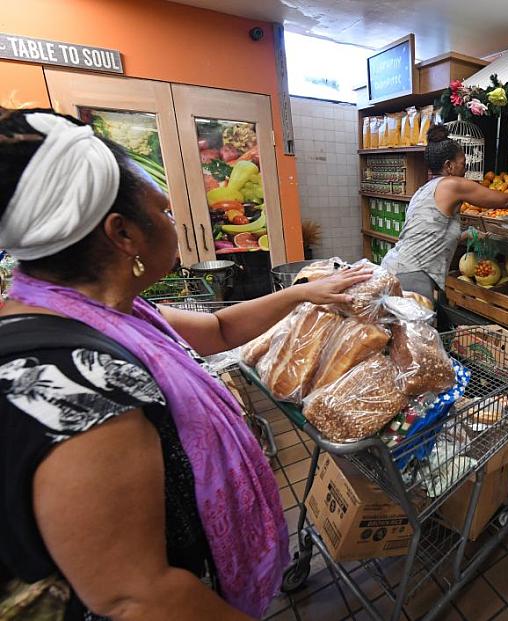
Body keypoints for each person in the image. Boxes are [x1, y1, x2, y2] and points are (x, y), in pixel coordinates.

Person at [0, 108, 371, 621]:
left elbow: (218, 331)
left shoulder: (101, 307)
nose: (174, 221)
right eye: (165, 211)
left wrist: (305, 293)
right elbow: (137, 596)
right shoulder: (76, 381)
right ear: (123, 234)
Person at [381, 125, 508, 301]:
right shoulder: (452, 184)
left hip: (395, 266)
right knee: (412, 327)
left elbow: (430, 234)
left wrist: (468, 234)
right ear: (449, 166)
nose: (465, 170)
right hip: (413, 276)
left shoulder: (423, 190)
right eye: (463, 164)